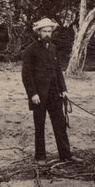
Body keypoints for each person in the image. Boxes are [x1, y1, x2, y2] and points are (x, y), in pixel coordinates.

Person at [22, 18, 72, 162]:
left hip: (54, 94)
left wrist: (64, 90)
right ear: (38, 32)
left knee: (60, 124)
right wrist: (33, 94)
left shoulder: (53, 48)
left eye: (49, 31)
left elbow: (57, 71)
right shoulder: (31, 50)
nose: (47, 34)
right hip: (39, 95)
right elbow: (26, 75)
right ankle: (40, 157)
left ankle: (66, 155)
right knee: (39, 126)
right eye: (44, 31)